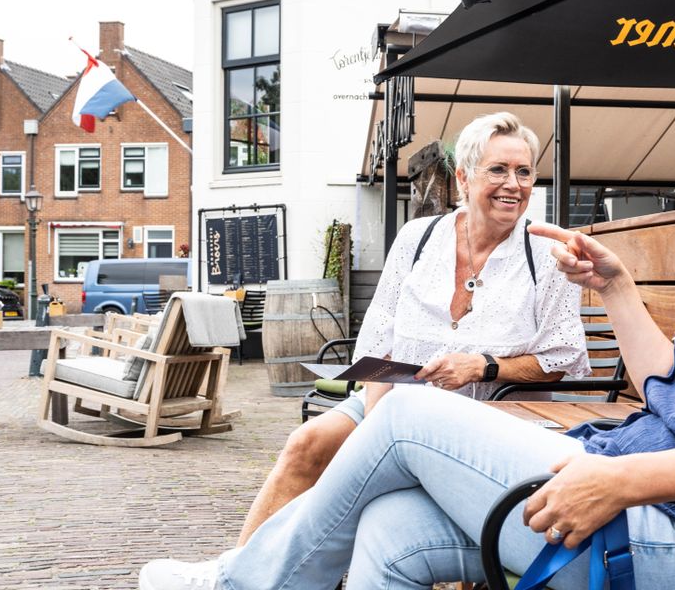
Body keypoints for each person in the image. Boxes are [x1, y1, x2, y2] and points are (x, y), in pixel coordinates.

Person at [140, 50, 675, 590]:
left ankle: (238, 579)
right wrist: (616, 290)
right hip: (649, 507)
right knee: (387, 529)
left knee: (409, 415)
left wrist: (618, 478)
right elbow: (672, 392)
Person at [232, 111, 591, 545]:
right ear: (463, 177)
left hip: (493, 417)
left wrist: (483, 366)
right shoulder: (418, 237)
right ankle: (236, 574)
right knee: (306, 444)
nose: (514, 184)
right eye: (498, 169)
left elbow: (560, 360)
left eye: (524, 172)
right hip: (393, 403)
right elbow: (379, 340)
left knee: (366, 499)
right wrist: (377, 422)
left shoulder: (549, 254)